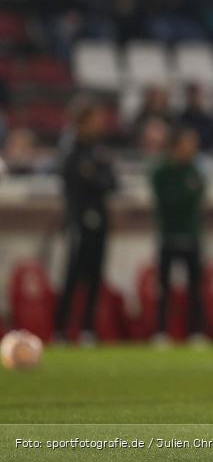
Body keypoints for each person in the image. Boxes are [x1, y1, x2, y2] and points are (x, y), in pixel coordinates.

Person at [54, 96, 117, 345]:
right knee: (72, 275)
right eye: (94, 119)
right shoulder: (70, 149)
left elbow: (110, 182)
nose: (100, 123)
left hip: (100, 218)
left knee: (94, 275)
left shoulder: (98, 149)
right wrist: (95, 178)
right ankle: (61, 328)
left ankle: (87, 329)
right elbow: (77, 181)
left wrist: (95, 177)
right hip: (79, 218)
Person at [150, 125, 206, 345]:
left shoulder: (194, 170)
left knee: (195, 287)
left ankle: (196, 331)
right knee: (164, 287)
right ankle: (161, 331)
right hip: (169, 235)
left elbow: (194, 196)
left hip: (191, 235)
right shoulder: (162, 172)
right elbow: (172, 201)